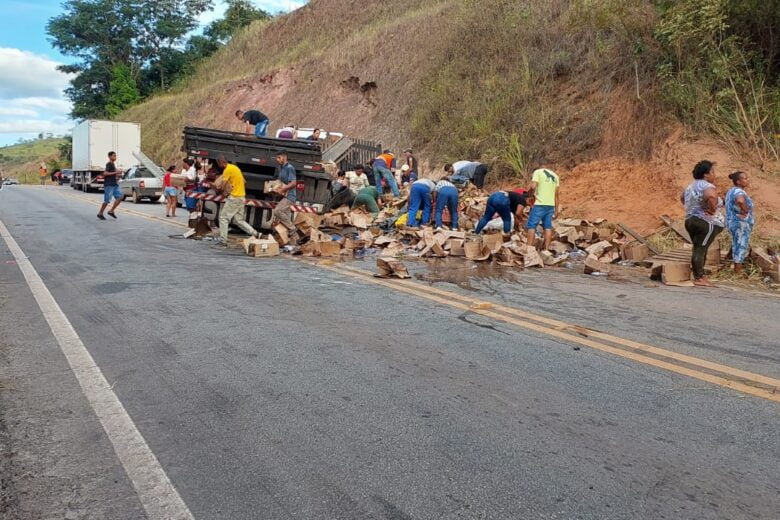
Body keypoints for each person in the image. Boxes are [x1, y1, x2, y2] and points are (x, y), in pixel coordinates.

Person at [682, 160, 724, 287]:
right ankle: (699, 277)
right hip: (705, 223)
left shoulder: (691, 186)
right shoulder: (707, 186)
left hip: (690, 220)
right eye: (712, 172)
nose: (714, 174)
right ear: (706, 175)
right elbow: (711, 197)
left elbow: (682, 198)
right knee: (700, 249)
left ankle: (700, 275)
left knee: (699, 247)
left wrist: (692, 209)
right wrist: (712, 209)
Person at [215, 156, 258, 246]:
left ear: (221, 162)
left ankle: (223, 240)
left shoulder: (227, 170)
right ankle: (256, 233)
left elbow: (222, 185)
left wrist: (220, 191)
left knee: (223, 218)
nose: (219, 166)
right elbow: (244, 181)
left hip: (234, 197)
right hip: (242, 196)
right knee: (238, 220)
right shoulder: (235, 168)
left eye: (218, 164)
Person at [525, 166, 559, 251]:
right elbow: (556, 195)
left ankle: (529, 250)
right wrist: (557, 209)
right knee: (547, 226)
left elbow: (533, 187)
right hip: (550, 205)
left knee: (531, 226)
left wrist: (530, 196)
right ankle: (546, 250)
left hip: (540, 204)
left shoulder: (537, 172)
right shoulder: (555, 176)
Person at [725, 171, 753, 274]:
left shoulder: (731, 191)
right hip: (739, 223)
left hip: (731, 221)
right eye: (745, 178)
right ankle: (737, 272)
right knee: (741, 245)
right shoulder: (739, 192)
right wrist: (745, 211)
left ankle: (729, 258)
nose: (747, 180)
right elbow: (740, 201)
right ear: (738, 181)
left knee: (736, 242)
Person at [273, 150, 300, 243]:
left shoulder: (290, 168)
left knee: (277, 211)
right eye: (277, 158)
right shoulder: (281, 168)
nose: (277, 160)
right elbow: (280, 182)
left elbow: (293, 183)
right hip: (283, 196)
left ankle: (293, 229)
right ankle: (295, 241)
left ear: (284, 157)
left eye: (279, 157)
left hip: (290, 196)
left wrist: (282, 190)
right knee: (286, 218)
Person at [97, 151, 124, 220]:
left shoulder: (113, 164)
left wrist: (118, 174)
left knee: (120, 197)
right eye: (114, 156)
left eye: (115, 156)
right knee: (107, 200)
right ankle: (100, 213)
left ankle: (111, 211)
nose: (115, 157)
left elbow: (113, 173)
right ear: (109, 156)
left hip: (114, 184)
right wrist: (116, 172)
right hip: (109, 185)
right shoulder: (109, 164)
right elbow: (105, 173)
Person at [181, 158, 198, 223]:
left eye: (183, 163)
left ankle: (194, 220)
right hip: (186, 190)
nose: (182, 164)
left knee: (190, 205)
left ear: (186, 163)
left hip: (191, 190)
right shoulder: (184, 170)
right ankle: (192, 219)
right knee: (188, 206)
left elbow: (193, 178)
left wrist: (187, 179)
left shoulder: (192, 169)